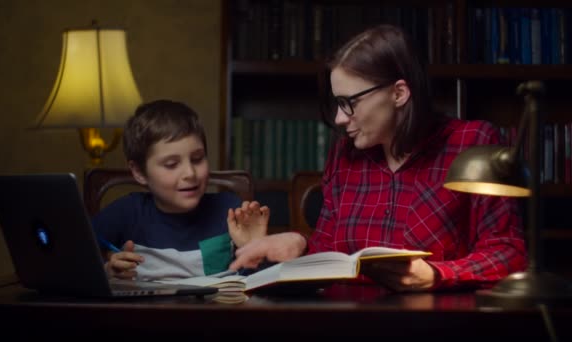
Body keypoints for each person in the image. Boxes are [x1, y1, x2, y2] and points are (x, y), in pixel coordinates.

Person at [230, 24, 528, 292]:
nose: (339, 118)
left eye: (349, 103)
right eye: (337, 103)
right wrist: (300, 243)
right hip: (347, 320)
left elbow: (508, 252)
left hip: (436, 323)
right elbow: (331, 253)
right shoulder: (345, 154)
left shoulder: (472, 142)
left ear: (399, 93)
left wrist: (438, 274)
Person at [92, 99, 269, 280]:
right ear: (139, 172)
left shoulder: (232, 211)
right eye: (171, 164)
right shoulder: (125, 213)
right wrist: (106, 271)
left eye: (198, 158)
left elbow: (257, 285)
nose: (190, 173)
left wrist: (255, 251)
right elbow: (72, 263)